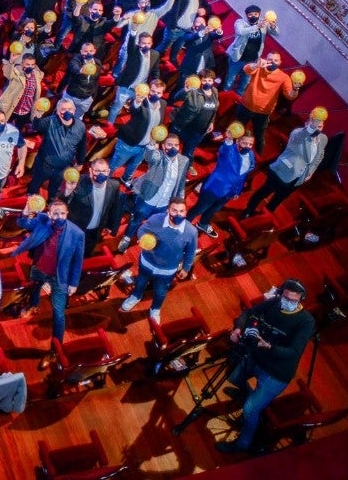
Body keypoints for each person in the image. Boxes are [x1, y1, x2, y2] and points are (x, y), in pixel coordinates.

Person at [217, 280, 316, 454]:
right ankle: (248, 396)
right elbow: (248, 313)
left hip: (276, 372)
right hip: (258, 357)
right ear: (280, 294)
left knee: (249, 410)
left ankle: (243, 444)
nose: (287, 302)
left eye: (293, 300)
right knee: (234, 376)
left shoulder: (306, 321)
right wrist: (238, 329)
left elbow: (293, 352)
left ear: (301, 299)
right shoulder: (275, 302)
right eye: (285, 297)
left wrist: (269, 347)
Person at [14, 198, 83, 364]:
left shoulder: (77, 233)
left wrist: (74, 283)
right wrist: (25, 211)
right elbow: (22, 223)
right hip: (39, 267)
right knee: (34, 288)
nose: (59, 216)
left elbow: (78, 260)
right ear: (49, 214)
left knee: (58, 313)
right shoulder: (42, 221)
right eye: (55, 213)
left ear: (67, 214)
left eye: (62, 213)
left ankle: (54, 350)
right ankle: (33, 305)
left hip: (60, 277)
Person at [119, 197, 197, 324]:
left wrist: (186, 268)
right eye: (174, 210)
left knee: (160, 291)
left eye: (181, 211)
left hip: (167, 270)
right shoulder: (156, 219)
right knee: (140, 282)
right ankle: (135, 296)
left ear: (186, 212)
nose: (178, 214)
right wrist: (144, 238)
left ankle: (155, 309)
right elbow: (141, 230)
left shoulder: (191, 232)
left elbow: (190, 251)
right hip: (147, 262)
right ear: (168, 210)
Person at [242, 111, 328, 217]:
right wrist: (312, 128)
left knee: (278, 200)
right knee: (263, 192)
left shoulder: (323, 139)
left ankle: (263, 216)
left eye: (319, 126)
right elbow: (300, 136)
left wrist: (310, 172)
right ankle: (248, 210)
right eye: (314, 125)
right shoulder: (297, 133)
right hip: (281, 171)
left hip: (298, 179)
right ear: (306, 125)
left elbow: (320, 156)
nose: (317, 129)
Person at [117, 134, 191, 252]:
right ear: (163, 146)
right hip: (148, 198)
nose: (173, 147)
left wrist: (180, 201)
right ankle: (127, 237)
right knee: (136, 219)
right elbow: (150, 156)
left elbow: (181, 182)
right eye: (169, 144)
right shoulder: (159, 157)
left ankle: (145, 239)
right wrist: (152, 143)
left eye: (176, 145)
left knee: (155, 222)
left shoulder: (184, 160)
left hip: (165, 202)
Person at [187, 129, 256, 237]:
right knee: (199, 209)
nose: (247, 146)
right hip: (214, 187)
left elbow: (243, 176)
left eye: (250, 144)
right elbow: (224, 150)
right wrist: (228, 140)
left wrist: (237, 191)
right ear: (237, 141)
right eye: (244, 143)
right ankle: (184, 224)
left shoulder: (251, 155)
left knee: (214, 209)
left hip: (229, 192)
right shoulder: (230, 151)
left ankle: (203, 224)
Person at [26, 99, 91, 197]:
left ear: (74, 110)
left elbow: (82, 145)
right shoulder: (50, 121)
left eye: (69, 109)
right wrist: (38, 114)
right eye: (63, 109)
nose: (67, 112)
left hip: (62, 168)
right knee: (34, 186)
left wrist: (80, 162)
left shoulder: (80, 126)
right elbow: (36, 126)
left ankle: (51, 204)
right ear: (57, 111)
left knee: (54, 191)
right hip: (44, 165)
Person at [237, 52, 302, 144]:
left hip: (263, 113)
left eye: (276, 60)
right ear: (266, 59)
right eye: (270, 59)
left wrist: (295, 88)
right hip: (246, 107)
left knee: (258, 137)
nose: (273, 62)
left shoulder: (284, 77)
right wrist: (257, 65)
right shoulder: (259, 68)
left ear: (280, 62)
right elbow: (246, 69)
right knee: (237, 129)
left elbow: (290, 96)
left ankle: (253, 154)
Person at [66, 159, 125, 256]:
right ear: (90, 171)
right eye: (97, 171)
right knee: (68, 251)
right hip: (75, 228)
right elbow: (64, 202)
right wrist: (68, 191)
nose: (101, 174)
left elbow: (114, 207)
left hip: (95, 231)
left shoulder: (114, 185)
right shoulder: (78, 182)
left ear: (108, 172)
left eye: (104, 171)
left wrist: (111, 226)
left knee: (86, 253)